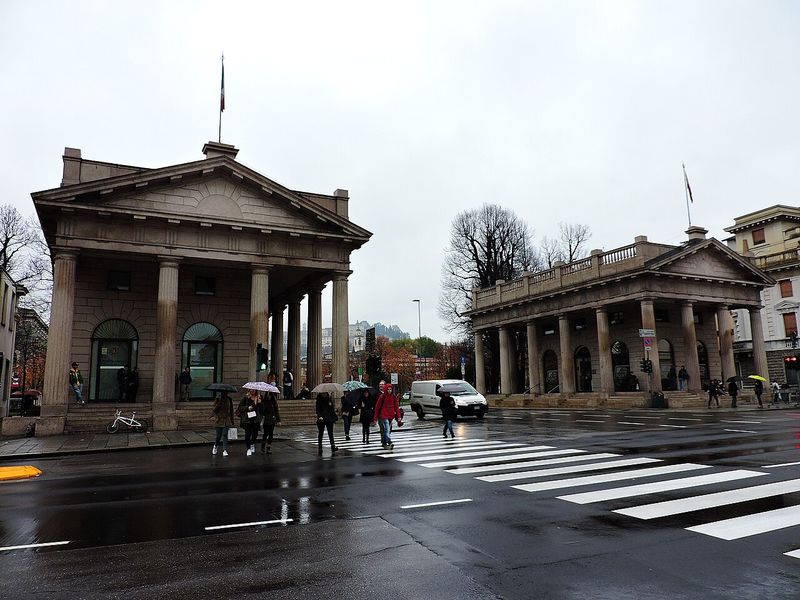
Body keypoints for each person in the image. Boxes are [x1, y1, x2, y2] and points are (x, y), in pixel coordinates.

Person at [373, 384, 402, 450]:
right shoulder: (382, 396)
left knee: (388, 430)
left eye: (390, 389)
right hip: (384, 415)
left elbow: (396, 407)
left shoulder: (393, 397)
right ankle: (389, 441)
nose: (389, 391)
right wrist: (375, 418)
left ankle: (384, 441)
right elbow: (377, 407)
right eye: (388, 389)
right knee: (387, 429)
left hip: (391, 416)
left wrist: (399, 416)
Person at [238, 389, 261, 456]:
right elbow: (240, 408)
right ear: (249, 390)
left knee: (255, 433)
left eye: (254, 390)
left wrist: (260, 403)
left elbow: (261, 409)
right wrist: (247, 408)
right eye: (251, 389)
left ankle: (252, 443)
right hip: (247, 419)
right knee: (248, 434)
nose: (253, 391)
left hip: (255, 419)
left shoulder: (258, 397)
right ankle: (248, 448)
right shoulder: (245, 397)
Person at [211, 391, 234, 457]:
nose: (225, 394)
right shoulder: (218, 399)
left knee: (224, 434)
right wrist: (219, 403)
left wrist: (232, 420)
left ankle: (225, 450)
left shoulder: (229, 399)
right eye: (223, 393)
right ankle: (215, 446)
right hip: (219, 420)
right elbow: (214, 410)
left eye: (226, 393)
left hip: (226, 420)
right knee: (218, 436)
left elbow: (231, 410)